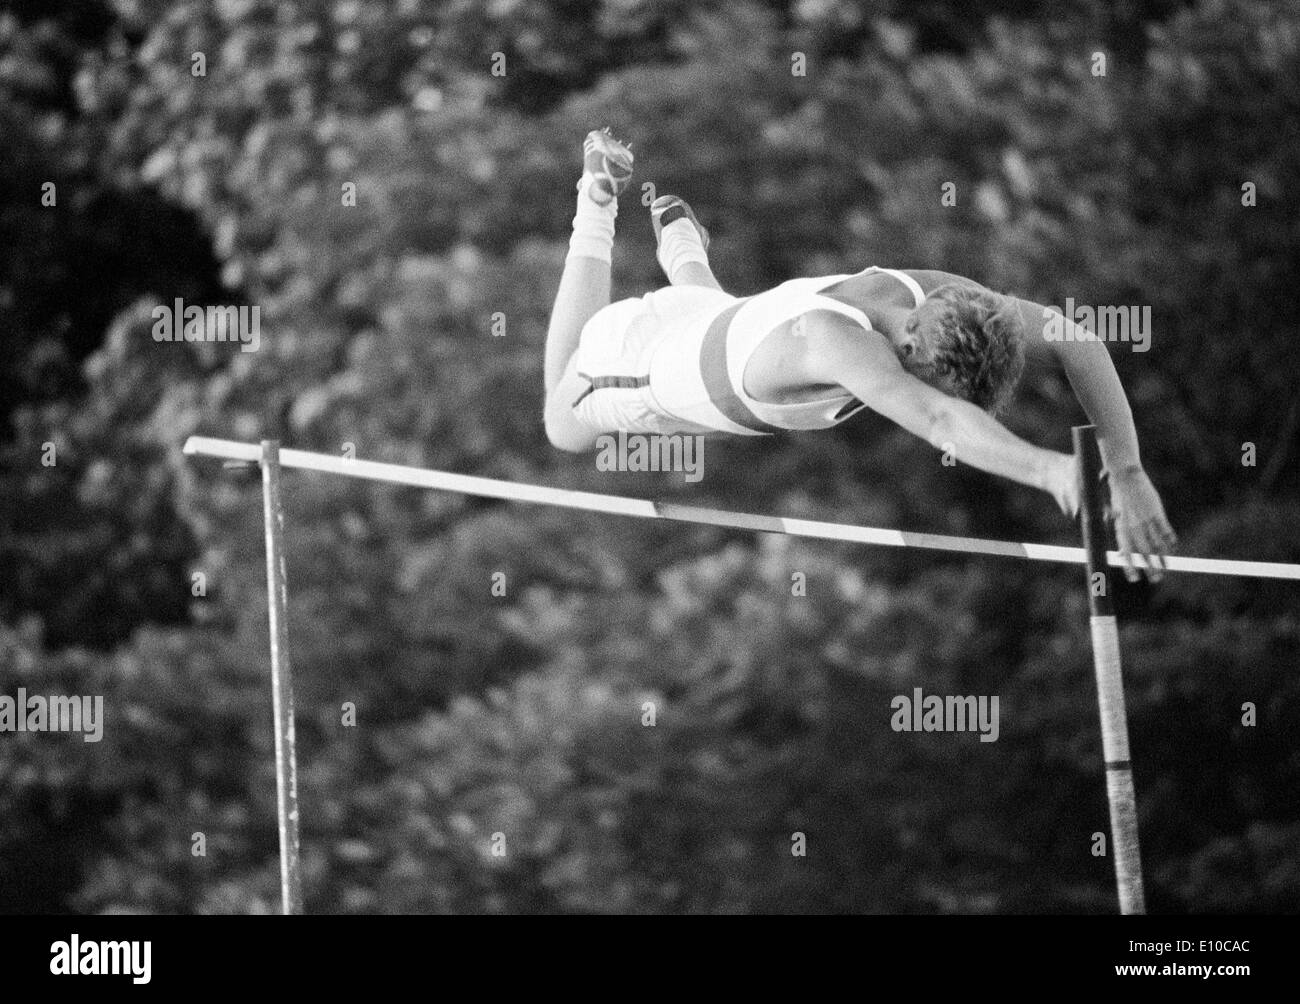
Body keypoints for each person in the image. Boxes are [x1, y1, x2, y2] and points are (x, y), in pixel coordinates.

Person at [543, 129, 1176, 581]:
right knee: (560, 421)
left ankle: (684, 250)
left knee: (711, 320)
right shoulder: (837, 340)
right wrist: (1052, 472)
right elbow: (938, 420)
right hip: (629, 359)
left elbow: (1077, 337)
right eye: (919, 379)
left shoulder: (936, 294)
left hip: (712, 323)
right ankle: (594, 203)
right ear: (906, 343)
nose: (914, 392)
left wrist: (1128, 472)